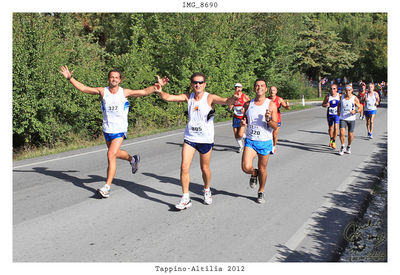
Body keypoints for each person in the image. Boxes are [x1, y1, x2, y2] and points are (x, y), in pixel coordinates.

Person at [60, 65, 164, 198]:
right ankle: (133, 160)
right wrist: (70, 78)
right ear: (109, 79)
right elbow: (84, 88)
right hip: (107, 129)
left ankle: (107, 187)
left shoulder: (124, 92)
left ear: (120, 80)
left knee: (110, 155)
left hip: (120, 129)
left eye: (116, 77)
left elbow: (143, 91)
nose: (114, 79)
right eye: (112, 77)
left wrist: (156, 87)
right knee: (115, 153)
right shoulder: (103, 91)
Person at [155, 73, 239, 210]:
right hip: (190, 138)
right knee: (184, 167)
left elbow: (226, 101)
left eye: (200, 82)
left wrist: (233, 98)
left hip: (205, 139)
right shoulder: (188, 97)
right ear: (191, 84)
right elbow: (168, 97)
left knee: (204, 168)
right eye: (195, 82)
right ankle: (185, 197)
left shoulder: (209, 97)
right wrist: (159, 91)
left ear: (205, 84)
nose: (197, 85)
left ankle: (206, 190)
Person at [238, 78, 278, 204]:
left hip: (265, 141)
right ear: (254, 88)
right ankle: (253, 173)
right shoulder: (248, 104)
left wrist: (269, 120)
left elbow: (275, 125)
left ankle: (261, 191)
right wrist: (243, 123)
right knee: (245, 167)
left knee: (262, 169)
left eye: (262, 86)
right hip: (251, 140)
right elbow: (244, 120)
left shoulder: (270, 105)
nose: (259, 87)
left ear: (266, 89)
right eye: (257, 85)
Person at [337, 83, 362, 155]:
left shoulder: (354, 98)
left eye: (349, 90)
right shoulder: (341, 97)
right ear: (345, 90)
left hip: (351, 119)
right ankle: (342, 146)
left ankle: (349, 146)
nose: (348, 91)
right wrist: (338, 111)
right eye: (346, 90)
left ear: (352, 90)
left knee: (350, 134)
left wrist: (356, 111)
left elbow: (360, 107)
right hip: (343, 118)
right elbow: (339, 104)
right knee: (342, 132)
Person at [229, 83, 250, 153]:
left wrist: (245, 109)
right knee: (236, 135)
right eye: (236, 87)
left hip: (242, 117)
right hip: (235, 117)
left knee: (240, 134)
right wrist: (231, 106)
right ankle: (241, 147)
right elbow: (231, 103)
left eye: (239, 87)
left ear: (241, 88)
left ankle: (248, 139)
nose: (237, 89)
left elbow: (250, 105)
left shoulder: (245, 97)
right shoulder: (233, 96)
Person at [268, 86, 289, 153]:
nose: (272, 92)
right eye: (271, 90)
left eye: (273, 90)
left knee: (274, 134)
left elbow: (286, 108)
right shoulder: (266, 99)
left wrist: (287, 106)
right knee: (268, 134)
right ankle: (269, 145)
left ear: (276, 91)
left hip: (277, 119)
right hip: (268, 119)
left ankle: (273, 147)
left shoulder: (279, 99)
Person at [322, 84, 340, 149]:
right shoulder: (327, 97)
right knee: (330, 128)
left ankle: (334, 141)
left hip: (336, 114)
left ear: (337, 89)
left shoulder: (339, 96)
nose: (332, 90)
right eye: (331, 89)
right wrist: (326, 105)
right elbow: (322, 104)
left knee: (336, 127)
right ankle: (331, 139)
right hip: (330, 114)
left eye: (334, 88)